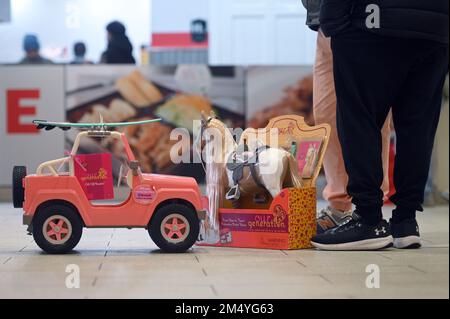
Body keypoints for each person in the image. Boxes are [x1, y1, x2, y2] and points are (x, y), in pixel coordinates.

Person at [311, 0, 449, 250]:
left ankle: (369, 219)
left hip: (370, 21)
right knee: (417, 125)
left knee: (360, 119)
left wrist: (331, 20)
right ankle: (406, 221)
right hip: (435, 27)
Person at [302, 0, 392, 234]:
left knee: (372, 113)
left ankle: (369, 205)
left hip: (366, 20)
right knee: (325, 114)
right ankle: (340, 205)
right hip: (326, 20)